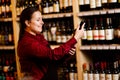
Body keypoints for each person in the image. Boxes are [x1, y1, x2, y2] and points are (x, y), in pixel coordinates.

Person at [17, 7, 85, 80]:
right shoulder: (27, 43)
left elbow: (51, 61)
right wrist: (75, 38)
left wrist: (66, 54)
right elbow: (52, 54)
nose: (42, 22)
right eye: (38, 20)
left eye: (41, 19)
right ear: (27, 23)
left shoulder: (39, 37)